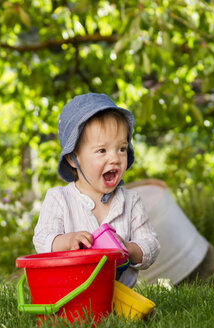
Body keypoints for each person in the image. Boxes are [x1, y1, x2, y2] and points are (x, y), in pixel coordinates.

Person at [33, 93, 160, 288]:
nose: (115, 159)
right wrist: (67, 241)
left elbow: (151, 245)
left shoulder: (131, 202)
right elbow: (41, 241)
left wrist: (128, 249)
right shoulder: (59, 199)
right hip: (73, 295)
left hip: (119, 298)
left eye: (122, 149)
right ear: (73, 158)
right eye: (102, 151)